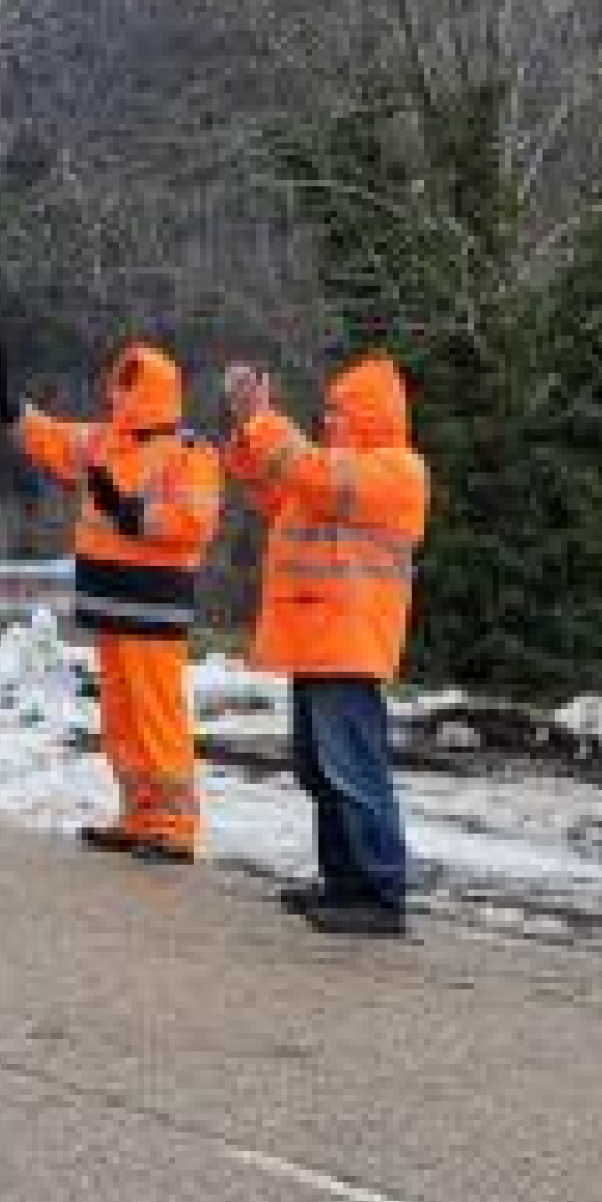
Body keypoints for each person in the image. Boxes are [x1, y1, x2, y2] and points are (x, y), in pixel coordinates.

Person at [223, 354, 432, 936]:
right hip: (319, 644)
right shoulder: (334, 468)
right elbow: (273, 488)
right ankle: (344, 883)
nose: (328, 418)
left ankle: (378, 892)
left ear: (368, 415)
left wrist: (265, 422)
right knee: (320, 771)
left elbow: (310, 473)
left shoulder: (396, 470)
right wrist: (246, 427)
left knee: (353, 772)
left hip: (349, 646)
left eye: (338, 411)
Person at [0, 340, 223, 862]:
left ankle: (174, 827)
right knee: (120, 717)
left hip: (153, 605)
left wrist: (130, 514)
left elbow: (196, 523)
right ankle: (139, 815)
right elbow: (55, 440)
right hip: (113, 603)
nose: (114, 394)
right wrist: (14, 411)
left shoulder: (190, 450)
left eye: (124, 385)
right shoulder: (107, 441)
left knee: (156, 714)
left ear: (145, 392)